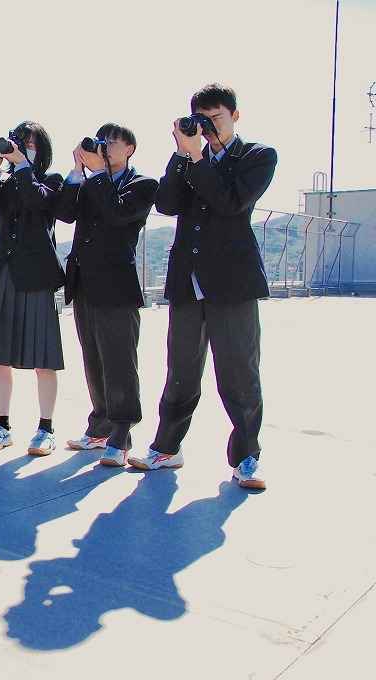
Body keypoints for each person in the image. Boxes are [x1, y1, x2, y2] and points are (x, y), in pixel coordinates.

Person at [128, 84, 277, 490]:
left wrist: (196, 157)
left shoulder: (258, 156)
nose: (210, 127)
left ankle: (247, 457)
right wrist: (182, 152)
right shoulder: (189, 157)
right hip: (187, 281)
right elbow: (167, 204)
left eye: (218, 119)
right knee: (181, 370)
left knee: (239, 373)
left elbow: (231, 202)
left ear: (235, 117)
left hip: (233, 283)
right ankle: (166, 447)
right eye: (203, 119)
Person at [56, 123, 158, 467]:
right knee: (94, 359)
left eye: (112, 141)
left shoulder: (143, 184)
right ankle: (99, 424)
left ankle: (122, 431)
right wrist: (76, 169)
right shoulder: (90, 181)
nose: (105, 146)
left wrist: (97, 173)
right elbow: (64, 213)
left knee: (119, 362)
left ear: (130, 148)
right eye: (101, 141)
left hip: (116, 285)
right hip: (84, 280)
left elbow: (116, 214)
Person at [0, 121, 66, 456]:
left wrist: (23, 165)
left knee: (44, 358)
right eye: (16, 143)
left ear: (41, 149)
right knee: (0, 357)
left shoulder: (51, 181)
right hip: (2, 272)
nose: (19, 148)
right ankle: (2, 425)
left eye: (28, 144)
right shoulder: (9, 181)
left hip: (35, 275)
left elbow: (35, 199)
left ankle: (46, 428)